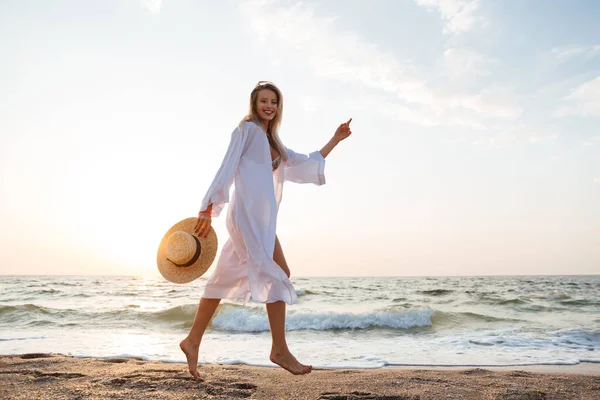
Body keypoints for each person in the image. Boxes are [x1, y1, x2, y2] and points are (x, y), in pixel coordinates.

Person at [179, 81, 352, 380]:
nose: (269, 106)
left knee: (226, 277)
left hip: (262, 220)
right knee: (278, 270)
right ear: (254, 103)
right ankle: (279, 350)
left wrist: (335, 139)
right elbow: (227, 165)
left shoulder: (275, 142)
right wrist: (207, 207)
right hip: (246, 215)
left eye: (274, 101)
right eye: (263, 101)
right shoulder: (246, 130)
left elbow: (306, 163)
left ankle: (192, 340)